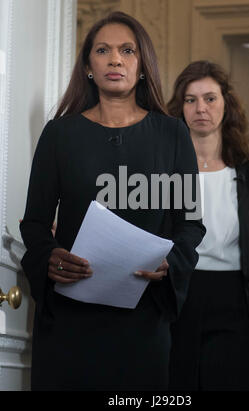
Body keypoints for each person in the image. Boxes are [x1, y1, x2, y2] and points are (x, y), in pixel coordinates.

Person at [20, 12, 205, 391]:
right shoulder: (59, 134)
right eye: (103, 50)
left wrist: (172, 262)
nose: (115, 59)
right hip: (70, 321)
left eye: (127, 50)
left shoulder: (172, 134)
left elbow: (191, 223)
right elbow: (34, 224)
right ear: (89, 66)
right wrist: (50, 255)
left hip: (143, 321)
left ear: (141, 65)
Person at [167, 60, 249, 391]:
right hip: (178, 303)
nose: (201, 108)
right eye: (191, 99)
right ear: (179, 108)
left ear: (226, 105)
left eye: (210, 98)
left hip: (238, 309)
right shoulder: (162, 171)